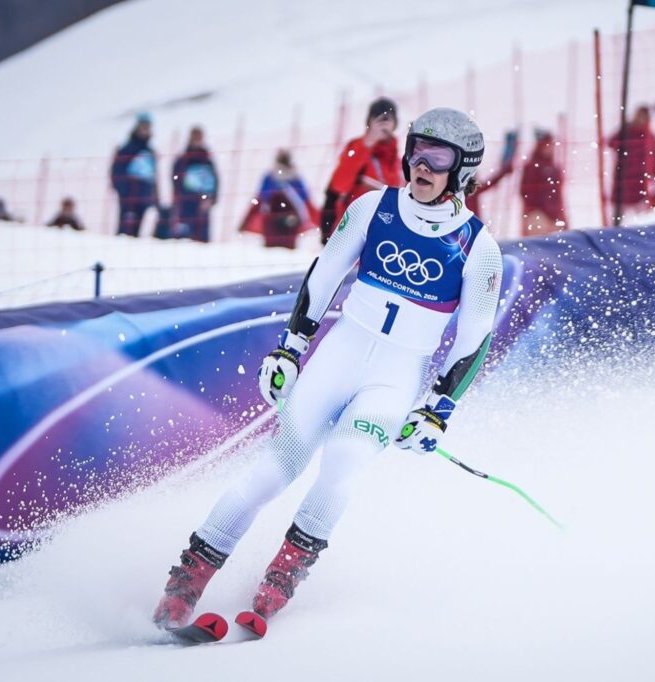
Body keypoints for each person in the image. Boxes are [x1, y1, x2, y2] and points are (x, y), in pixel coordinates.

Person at [152, 108, 503, 634]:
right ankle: (181, 591)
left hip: (393, 379)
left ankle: (275, 588)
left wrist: (436, 411)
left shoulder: (479, 248)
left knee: (342, 465)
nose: (420, 166)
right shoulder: (372, 208)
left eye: (438, 158)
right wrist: (291, 350)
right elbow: (322, 279)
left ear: (463, 170)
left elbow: (474, 343)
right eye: (416, 151)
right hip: (339, 357)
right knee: (273, 471)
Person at [320, 97, 403, 244]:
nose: (383, 123)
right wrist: (366, 145)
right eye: (378, 118)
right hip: (354, 232)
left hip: (387, 234)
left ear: (395, 123)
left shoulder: (398, 161)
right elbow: (339, 185)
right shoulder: (357, 148)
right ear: (369, 122)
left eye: (388, 118)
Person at [246, 149, 317, 250]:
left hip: (273, 214)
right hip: (291, 215)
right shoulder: (295, 176)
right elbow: (304, 196)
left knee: (272, 241)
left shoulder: (270, 176)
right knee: (288, 240)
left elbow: (262, 195)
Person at [609, 106, 655, 220]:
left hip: (641, 187)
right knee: (617, 221)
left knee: (640, 222)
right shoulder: (626, 132)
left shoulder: (651, 137)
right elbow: (611, 143)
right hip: (623, 184)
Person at [110, 113, 157, 237]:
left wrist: (154, 197)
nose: (145, 129)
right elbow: (116, 173)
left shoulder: (150, 151)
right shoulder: (126, 149)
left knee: (137, 235)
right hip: (129, 199)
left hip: (144, 199)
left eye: (147, 126)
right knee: (125, 233)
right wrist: (125, 192)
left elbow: (153, 177)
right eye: (143, 126)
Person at [172, 126, 219, 242]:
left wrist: (211, 199)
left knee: (202, 240)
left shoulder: (207, 160)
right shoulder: (182, 160)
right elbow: (176, 182)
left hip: (203, 206)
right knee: (185, 240)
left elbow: (215, 181)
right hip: (186, 206)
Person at [519, 130, 566, 236]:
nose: (551, 148)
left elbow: (558, 195)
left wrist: (560, 215)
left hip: (554, 216)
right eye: (548, 145)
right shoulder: (532, 167)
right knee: (538, 246)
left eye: (552, 145)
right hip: (537, 215)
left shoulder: (554, 168)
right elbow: (526, 192)